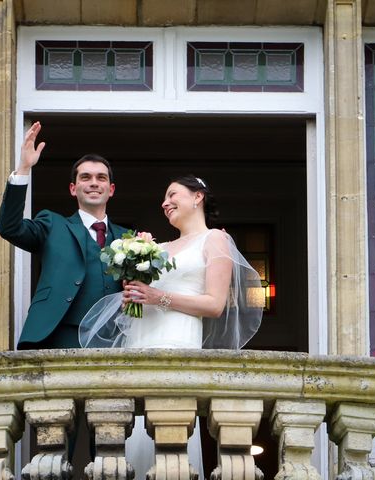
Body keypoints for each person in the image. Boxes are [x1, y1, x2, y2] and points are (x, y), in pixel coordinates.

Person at [79, 175, 263, 479]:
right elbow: (145, 300)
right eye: (164, 199)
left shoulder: (214, 239)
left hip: (177, 342)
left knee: (170, 434)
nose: (165, 203)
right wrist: (134, 298)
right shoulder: (158, 247)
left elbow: (214, 304)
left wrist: (157, 296)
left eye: (172, 194)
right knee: (134, 434)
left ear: (198, 197)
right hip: (139, 344)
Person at [0, 121, 129, 350]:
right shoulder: (52, 224)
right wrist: (24, 168)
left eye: (101, 178)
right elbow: (9, 227)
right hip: (59, 333)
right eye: (85, 177)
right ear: (72, 188)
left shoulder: (129, 238)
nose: (94, 183)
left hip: (114, 338)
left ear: (111, 189)